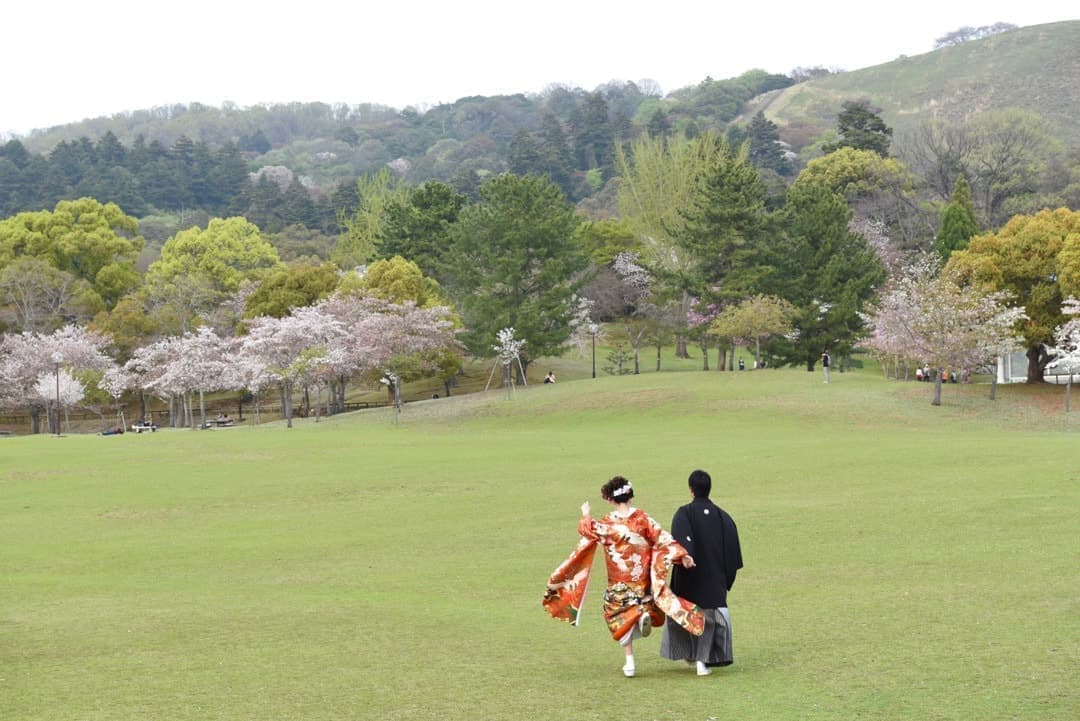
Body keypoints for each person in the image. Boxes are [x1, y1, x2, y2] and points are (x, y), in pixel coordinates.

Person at [543, 476, 704, 678]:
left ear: (610, 499)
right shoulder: (642, 519)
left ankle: (630, 662)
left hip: (619, 581)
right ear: (631, 496)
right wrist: (683, 555)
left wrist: (585, 514)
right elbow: (662, 537)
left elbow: (587, 530)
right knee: (651, 602)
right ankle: (643, 614)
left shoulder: (608, 524)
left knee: (616, 614)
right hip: (642, 578)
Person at [661, 469, 743, 676]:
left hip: (689, 579)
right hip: (715, 579)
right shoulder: (723, 517)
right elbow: (733, 553)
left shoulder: (683, 514)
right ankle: (703, 660)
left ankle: (695, 657)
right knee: (711, 615)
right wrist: (725, 579)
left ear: (691, 490)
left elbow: (677, 546)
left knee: (691, 614)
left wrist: (685, 561)